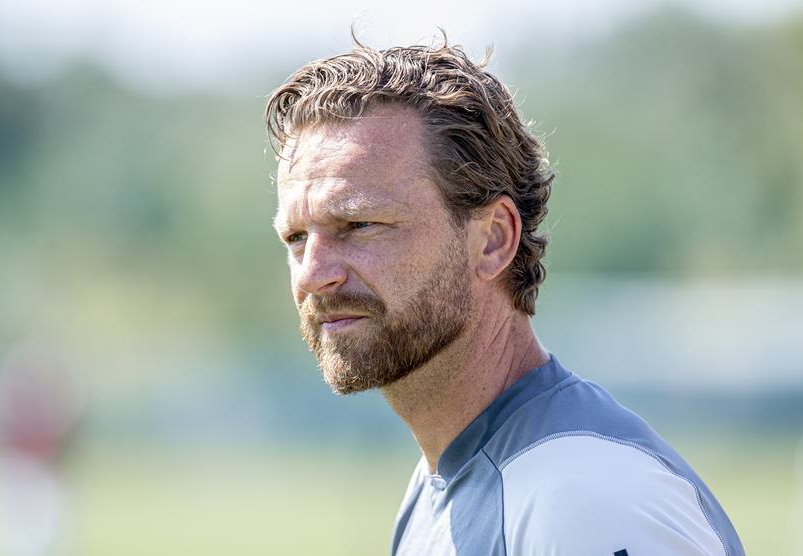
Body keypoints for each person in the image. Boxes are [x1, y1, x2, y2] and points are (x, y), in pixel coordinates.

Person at [266, 36, 745, 556]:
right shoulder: (439, 485)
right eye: (296, 238)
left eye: (360, 224)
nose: (312, 274)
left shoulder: (585, 498)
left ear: (493, 240)